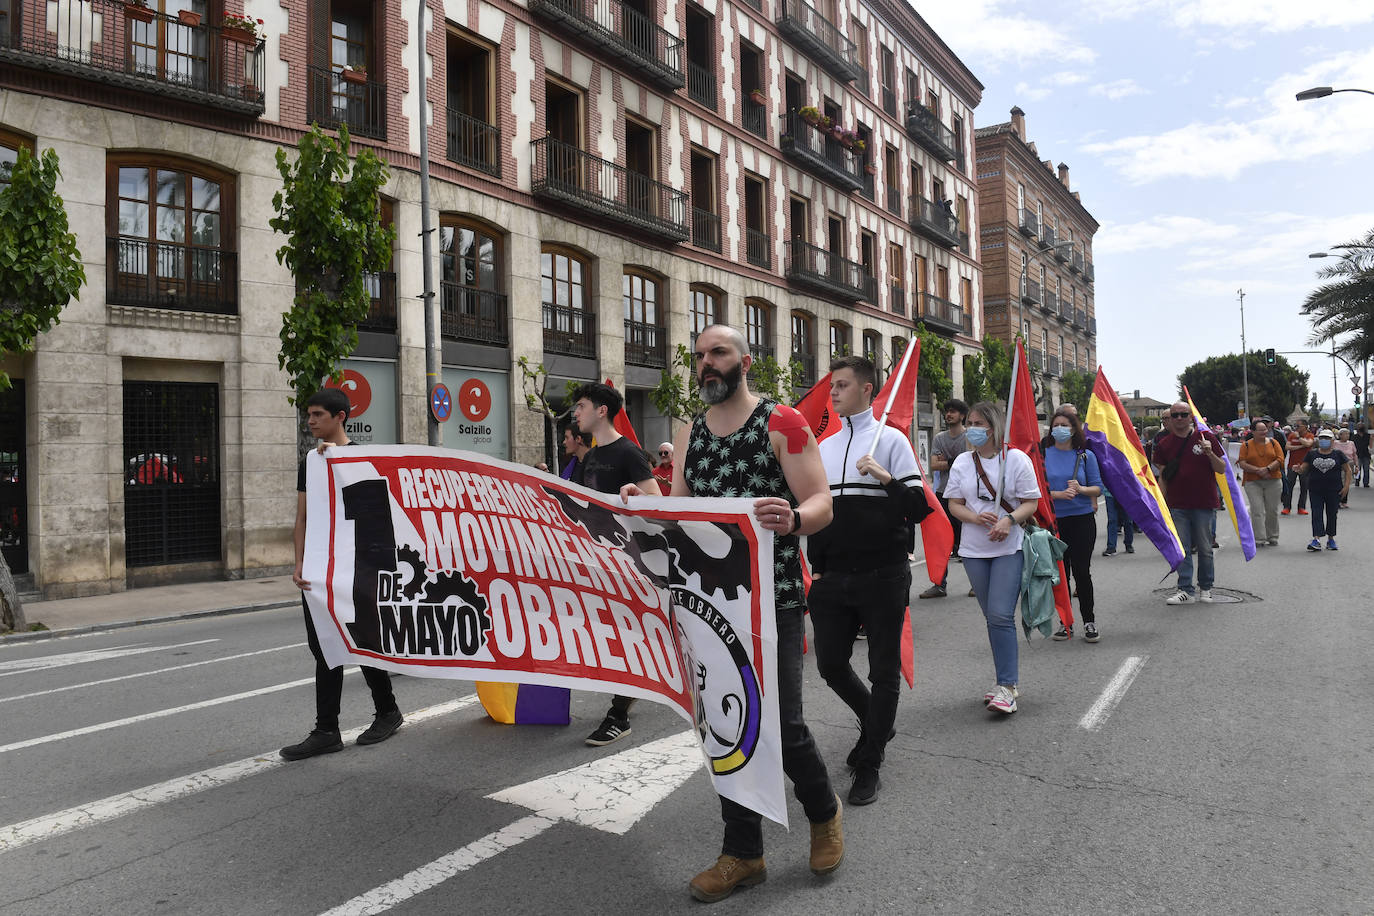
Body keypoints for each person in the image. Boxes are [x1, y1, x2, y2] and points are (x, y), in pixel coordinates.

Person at [622, 324, 841, 902]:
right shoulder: (689, 432)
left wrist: (795, 518)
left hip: (775, 600)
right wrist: (646, 506)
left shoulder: (782, 423)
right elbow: (680, 512)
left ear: (745, 361)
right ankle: (743, 853)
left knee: (784, 725)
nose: (706, 363)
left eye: (717, 352)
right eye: (699, 356)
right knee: (726, 727)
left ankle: (824, 813)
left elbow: (821, 502)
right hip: (709, 604)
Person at [808, 356, 931, 807]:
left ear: (867, 389)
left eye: (842, 385)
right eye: (832, 386)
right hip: (833, 578)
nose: (833, 393)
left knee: (883, 670)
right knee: (830, 664)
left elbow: (917, 508)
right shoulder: (823, 447)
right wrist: (816, 566)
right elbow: (818, 513)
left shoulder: (892, 440)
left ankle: (870, 760)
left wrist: (885, 477)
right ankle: (877, 721)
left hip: (883, 574)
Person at [282, 388, 404, 761]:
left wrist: (339, 462)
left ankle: (387, 711)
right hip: (318, 571)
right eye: (309, 415)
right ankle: (326, 730)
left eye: (318, 414)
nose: (310, 421)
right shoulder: (311, 463)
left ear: (340, 417)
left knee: (363, 639)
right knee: (324, 646)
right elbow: (303, 517)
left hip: (356, 569)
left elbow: (376, 518)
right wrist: (300, 562)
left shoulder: (361, 459)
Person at [570, 382, 661, 748]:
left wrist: (637, 495)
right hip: (598, 558)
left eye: (581, 406)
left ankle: (618, 715)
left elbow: (655, 498)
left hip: (629, 560)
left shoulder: (628, 452)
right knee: (614, 633)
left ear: (602, 410)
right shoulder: (590, 456)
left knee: (629, 633)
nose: (576, 413)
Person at [943, 401, 1041, 714]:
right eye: (970, 423)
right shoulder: (962, 462)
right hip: (973, 551)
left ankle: (1008, 687)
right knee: (993, 618)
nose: (972, 428)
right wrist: (975, 518)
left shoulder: (1016, 459)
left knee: (1000, 615)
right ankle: (1003, 682)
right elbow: (954, 504)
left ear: (994, 427)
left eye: (978, 423)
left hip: (1008, 548)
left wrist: (1008, 520)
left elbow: (1031, 503)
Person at [1153, 402, 1227, 604]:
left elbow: (1221, 468)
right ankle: (1185, 589)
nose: (1179, 418)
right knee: (1182, 549)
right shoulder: (1163, 445)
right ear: (1169, 419)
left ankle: (1206, 587)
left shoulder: (1206, 438)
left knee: (1205, 548)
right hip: (1177, 504)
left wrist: (1210, 453)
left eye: (1183, 414)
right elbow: (1163, 476)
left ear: (1191, 417)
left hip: (1204, 502)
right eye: (1175, 415)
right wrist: (1161, 504)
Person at [1043, 409, 1103, 642]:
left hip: (1082, 520)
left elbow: (1097, 487)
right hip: (1054, 522)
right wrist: (1058, 495)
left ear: (1074, 429)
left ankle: (1089, 621)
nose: (1059, 429)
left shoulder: (1086, 455)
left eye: (1064, 425)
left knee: (1081, 572)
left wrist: (1081, 489)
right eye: (1056, 425)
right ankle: (1064, 622)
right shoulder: (1043, 455)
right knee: (1059, 574)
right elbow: (1036, 489)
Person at [921, 398, 968, 598]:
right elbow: (933, 465)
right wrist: (954, 461)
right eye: (947, 411)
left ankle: (976, 583)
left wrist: (946, 461)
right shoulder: (939, 438)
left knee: (967, 540)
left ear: (962, 415)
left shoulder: (969, 437)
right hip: (942, 493)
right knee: (941, 540)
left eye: (953, 411)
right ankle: (939, 585)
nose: (948, 414)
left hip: (965, 494)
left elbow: (970, 463)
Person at [1301, 429, 1351, 551]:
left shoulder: (1338, 454)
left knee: (1332, 514)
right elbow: (1304, 468)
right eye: (1322, 438)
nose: (1324, 441)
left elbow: (1347, 470)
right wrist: (1299, 469)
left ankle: (1331, 539)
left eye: (1327, 438)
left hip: (1334, 490)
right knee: (1316, 513)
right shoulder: (1312, 454)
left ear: (1332, 441)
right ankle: (1316, 539)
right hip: (1315, 489)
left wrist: (1346, 486)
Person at [1238, 419, 1284, 547]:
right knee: (1257, 510)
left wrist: (1268, 469)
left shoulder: (1274, 443)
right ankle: (1259, 538)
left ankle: (1272, 536)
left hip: (1273, 480)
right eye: (1260, 430)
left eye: (1265, 429)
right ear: (1253, 431)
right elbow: (1242, 463)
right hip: (1252, 482)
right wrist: (1258, 470)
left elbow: (1280, 459)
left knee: (1272, 510)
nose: (1264, 432)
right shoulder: (1246, 445)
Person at [1282, 420, 1314, 515]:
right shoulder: (1292, 435)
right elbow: (1287, 447)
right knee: (1289, 486)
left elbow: (1308, 444)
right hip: (1292, 465)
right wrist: (1301, 446)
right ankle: (1287, 507)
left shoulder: (1309, 435)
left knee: (1304, 486)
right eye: (1296, 426)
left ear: (1305, 426)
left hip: (1305, 465)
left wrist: (1299, 438)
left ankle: (1301, 507)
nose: (1296, 427)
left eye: (1298, 426)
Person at [1101, 484, 1134, 556]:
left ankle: (1128, 544)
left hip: (1126, 493)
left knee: (1128, 521)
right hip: (1110, 493)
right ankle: (1111, 547)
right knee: (1112, 520)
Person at [1334, 429, 1357, 507]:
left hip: (1349, 463)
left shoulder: (1351, 443)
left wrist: (1357, 465)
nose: (1347, 436)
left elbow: (1354, 455)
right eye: (1345, 434)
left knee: (1346, 482)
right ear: (1340, 435)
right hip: (1338, 464)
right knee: (1339, 482)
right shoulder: (1335, 443)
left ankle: (1344, 501)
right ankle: (1338, 500)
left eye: (1348, 434)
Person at [1353, 423, 1370, 488]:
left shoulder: (1368, 436)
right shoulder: (1354, 437)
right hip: (1357, 455)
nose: (1360, 427)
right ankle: (1357, 481)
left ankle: (1366, 483)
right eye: (1359, 426)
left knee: (1366, 469)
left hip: (1366, 455)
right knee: (1358, 469)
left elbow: (1371, 446)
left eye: (1362, 425)